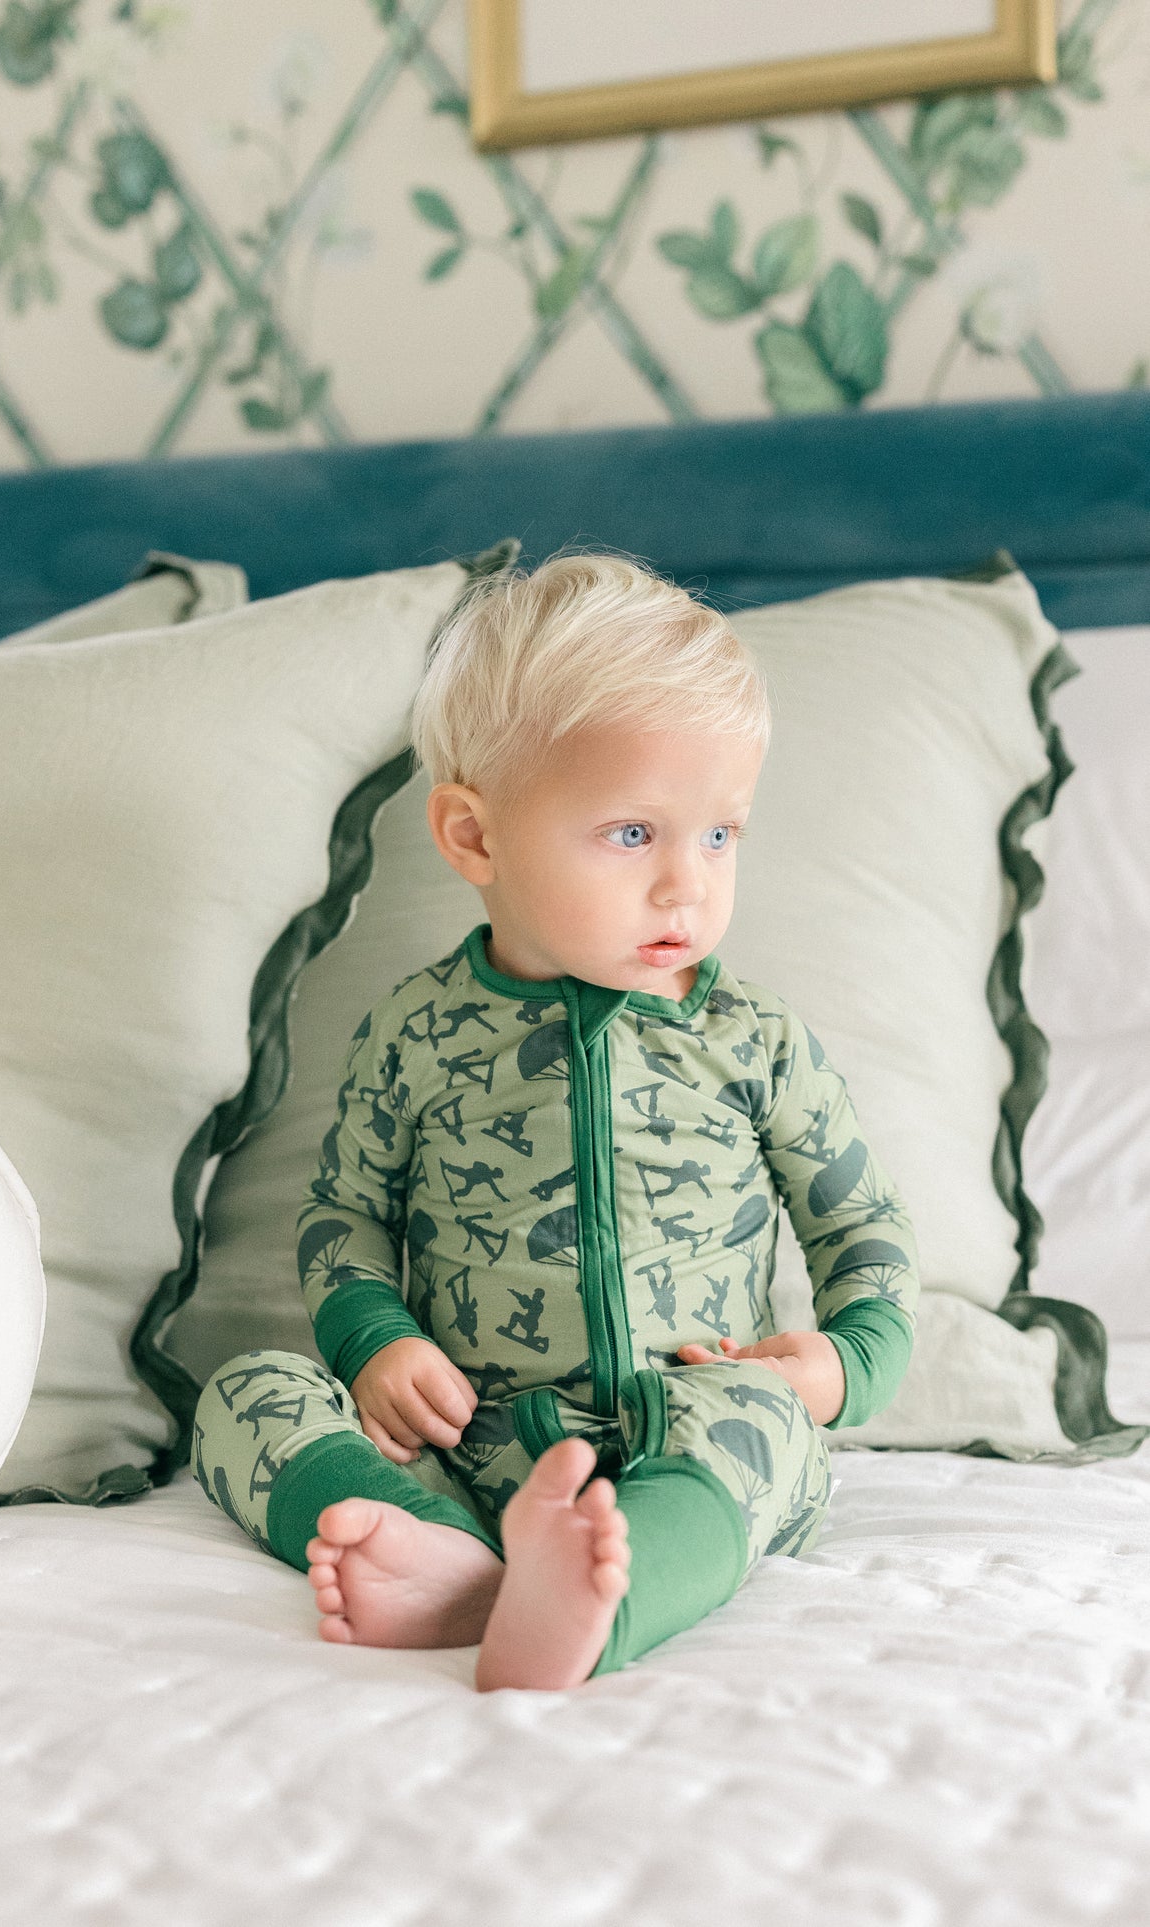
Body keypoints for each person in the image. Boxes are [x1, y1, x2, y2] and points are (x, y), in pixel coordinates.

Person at [192, 554, 919, 1689]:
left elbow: (861, 1227)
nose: (687, 883)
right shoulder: (416, 1033)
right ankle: (440, 1558)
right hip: (461, 1439)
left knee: (766, 1433)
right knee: (245, 1396)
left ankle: (598, 1602)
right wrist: (374, 1342)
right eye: (633, 833)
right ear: (474, 838)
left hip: (690, 1426)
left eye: (719, 833)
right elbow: (343, 1213)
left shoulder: (753, 1040)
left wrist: (837, 1365)